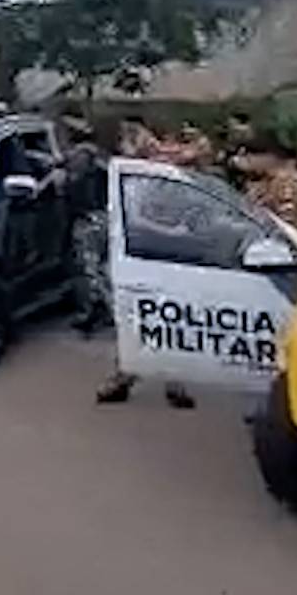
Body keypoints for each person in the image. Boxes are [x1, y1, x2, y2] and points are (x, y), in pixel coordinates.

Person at [96, 118, 196, 409]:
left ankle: (164, 381)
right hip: (138, 257)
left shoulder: (156, 171)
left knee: (164, 318)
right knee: (135, 319)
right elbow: (132, 221)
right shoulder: (127, 175)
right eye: (132, 138)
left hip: (159, 256)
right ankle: (128, 377)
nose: (143, 142)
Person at [61, 114, 111, 334]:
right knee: (101, 267)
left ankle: (98, 311)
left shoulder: (81, 157)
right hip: (103, 216)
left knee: (88, 267)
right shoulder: (101, 155)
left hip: (88, 219)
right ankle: (103, 309)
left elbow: (72, 184)